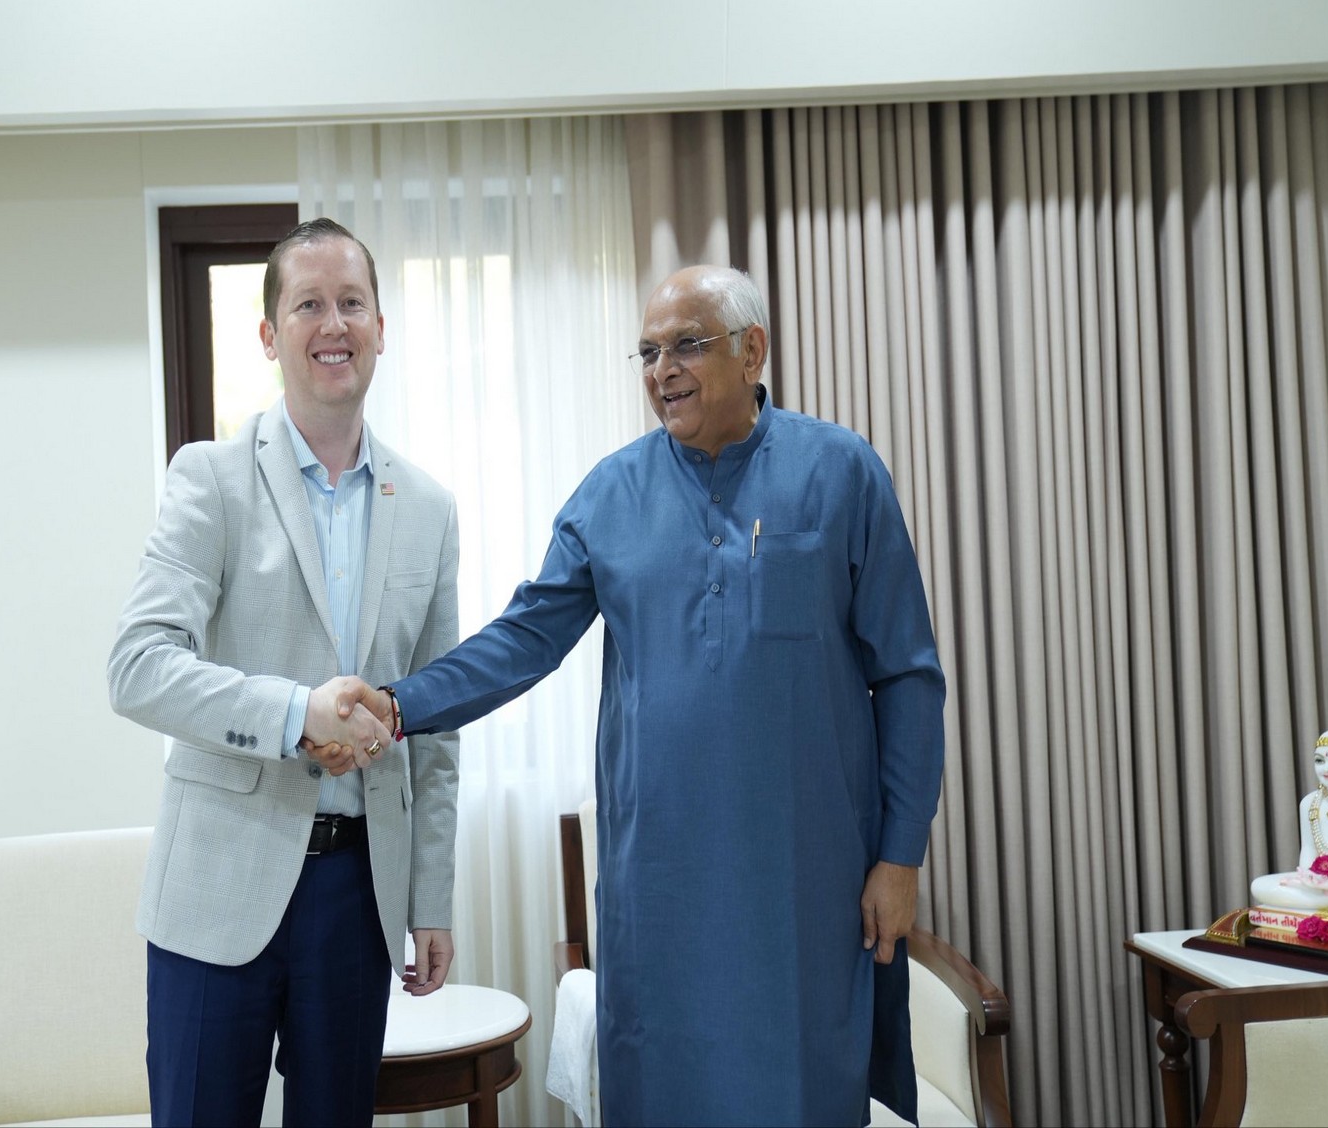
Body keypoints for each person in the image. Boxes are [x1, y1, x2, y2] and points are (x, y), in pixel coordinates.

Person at [339, 265, 945, 1126]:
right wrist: (400, 705)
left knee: (807, 1088)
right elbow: (524, 639)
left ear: (753, 351)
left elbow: (909, 675)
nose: (663, 370)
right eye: (649, 352)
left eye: (686, 346)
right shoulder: (611, 493)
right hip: (658, 884)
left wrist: (900, 854)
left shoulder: (842, 472)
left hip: (806, 879)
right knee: (663, 1087)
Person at [106, 217, 460, 1128]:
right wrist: (297, 712)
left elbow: (437, 725)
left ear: (381, 327)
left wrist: (430, 899)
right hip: (217, 883)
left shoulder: (429, 509)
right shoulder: (209, 479)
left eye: (352, 303)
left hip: (357, 898)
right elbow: (138, 666)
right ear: (270, 335)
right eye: (308, 305)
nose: (333, 324)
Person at [1251, 724, 1328, 915]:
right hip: (1317, 884)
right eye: (1319, 761)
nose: (1326, 769)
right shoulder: (1309, 803)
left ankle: (1324, 903)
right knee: (1259, 885)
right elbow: (1308, 849)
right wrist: (1310, 876)